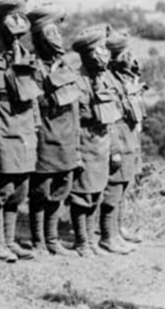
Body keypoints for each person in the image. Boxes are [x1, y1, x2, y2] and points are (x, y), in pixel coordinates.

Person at [0, 0, 41, 262]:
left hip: (24, 119)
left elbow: (33, 91)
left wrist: (36, 122)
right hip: (0, 119)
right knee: (1, 183)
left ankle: (10, 240)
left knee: (21, 185)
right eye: (10, 19)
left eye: (21, 19)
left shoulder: (26, 53)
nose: (16, 26)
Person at [26, 2, 80, 256]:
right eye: (50, 33)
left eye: (57, 32)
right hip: (45, 136)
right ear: (39, 37)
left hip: (67, 136)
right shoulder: (33, 67)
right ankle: (38, 240)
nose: (56, 38)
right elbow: (36, 102)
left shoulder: (67, 64)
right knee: (41, 191)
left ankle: (52, 238)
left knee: (60, 189)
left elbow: (75, 102)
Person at [70, 24, 122, 257]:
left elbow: (111, 119)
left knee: (97, 193)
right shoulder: (76, 81)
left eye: (104, 49)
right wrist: (76, 154)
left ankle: (91, 240)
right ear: (87, 54)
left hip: (102, 143)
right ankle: (82, 241)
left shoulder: (103, 80)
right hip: (83, 142)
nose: (104, 55)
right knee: (81, 196)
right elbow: (71, 122)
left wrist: (114, 149)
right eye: (99, 50)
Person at [101, 31, 145, 254]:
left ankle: (117, 230)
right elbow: (109, 115)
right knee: (114, 187)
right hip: (117, 134)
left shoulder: (123, 77)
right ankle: (108, 236)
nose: (132, 59)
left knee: (125, 183)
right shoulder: (107, 79)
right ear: (116, 56)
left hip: (129, 134)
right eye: (127, 54)